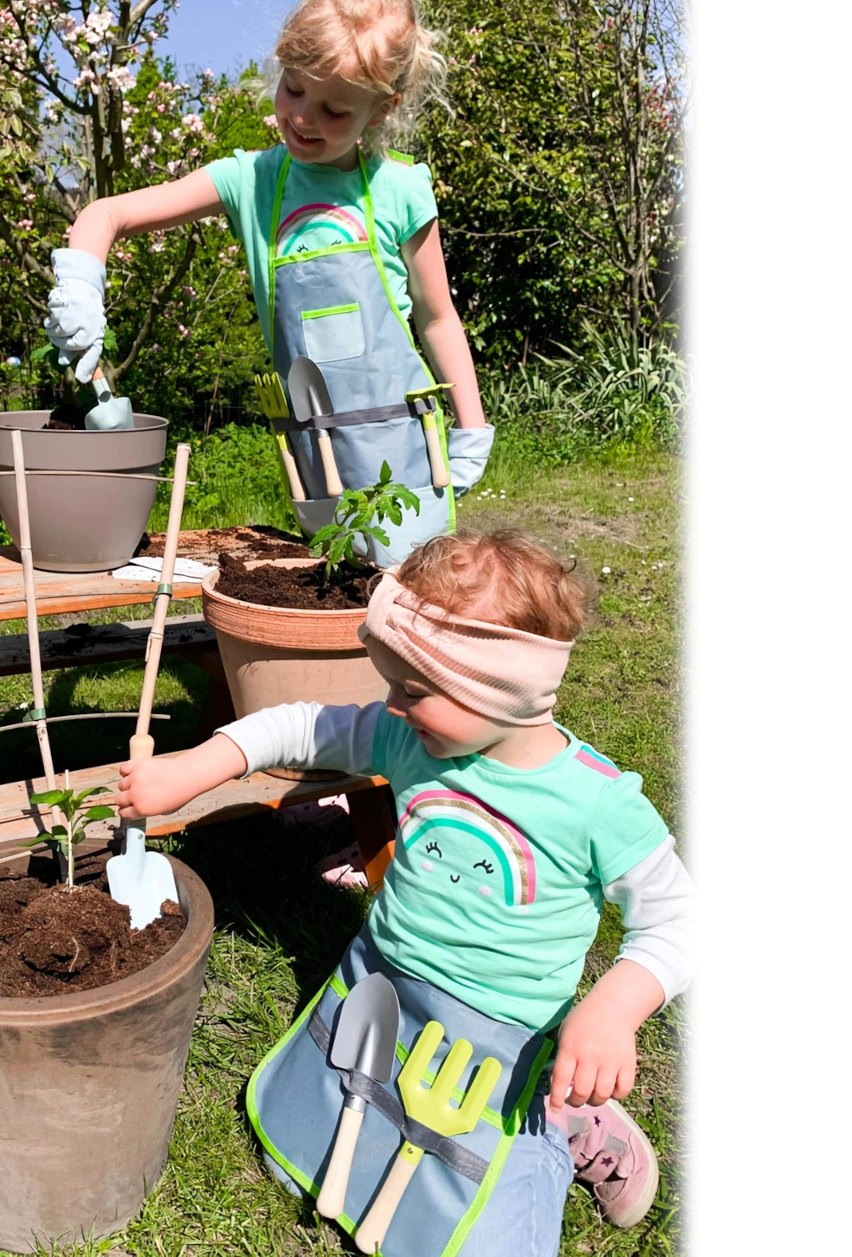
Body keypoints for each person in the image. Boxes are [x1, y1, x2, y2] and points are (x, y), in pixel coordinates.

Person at [111, 530, 694, 1254]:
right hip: (383, 991)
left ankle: (567, 1114)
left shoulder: (596, 804)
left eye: (412, 690)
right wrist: (196, 768)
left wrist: (614, 1009)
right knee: (300, 1159)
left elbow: (678, 921)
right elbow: (301, 725)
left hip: (504, 1037)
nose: (390, 705)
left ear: (500, 690)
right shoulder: (411, 739)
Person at [45, 0, 495, 565]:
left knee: (409, 593)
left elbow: (437, 320)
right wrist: (80, 281)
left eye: (333, 109)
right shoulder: (251, 182)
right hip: (315, 454)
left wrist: (471, 427)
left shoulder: (400, 189)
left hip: (408, 451)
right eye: (293, 89)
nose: (303, 117)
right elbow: (106, 215)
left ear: (384, 108)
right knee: (337, 586)